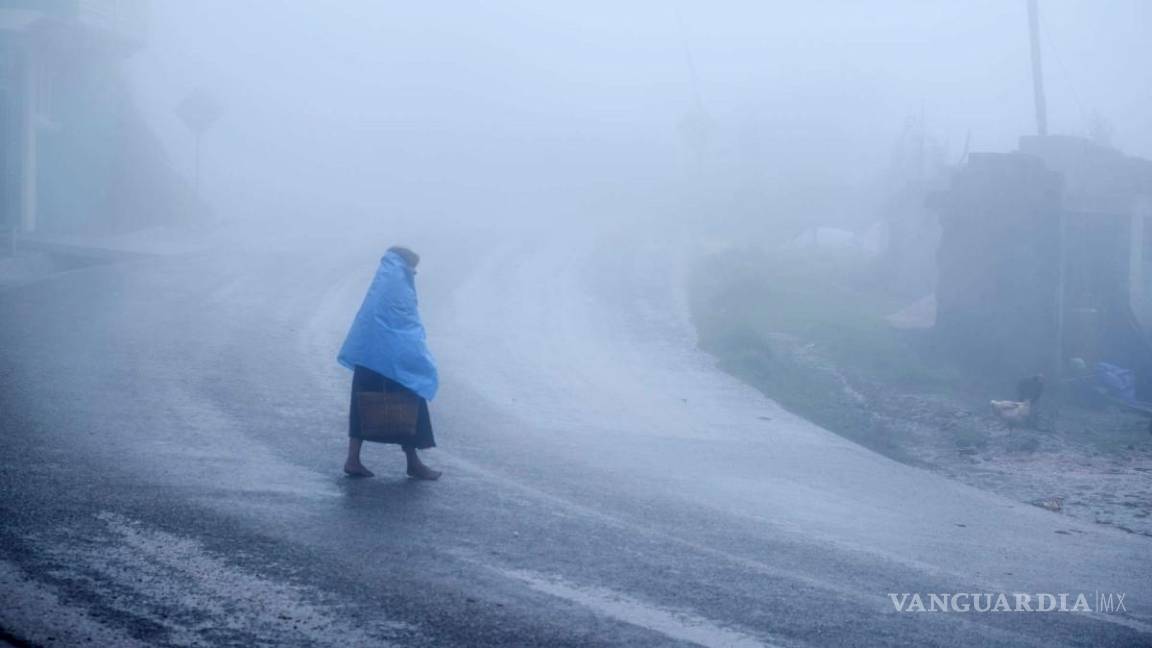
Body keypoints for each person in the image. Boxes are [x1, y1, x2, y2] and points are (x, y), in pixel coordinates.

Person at [337, 246, 441, 480]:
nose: (414, 273)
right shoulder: (397, 284)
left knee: (361, 405)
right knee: (411, 401)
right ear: (404, 265)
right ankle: (412, 462)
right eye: (412, 268)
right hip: (392, 359)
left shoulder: (382, 283)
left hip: (369, 354)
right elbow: (404, 323)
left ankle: (353, 459)